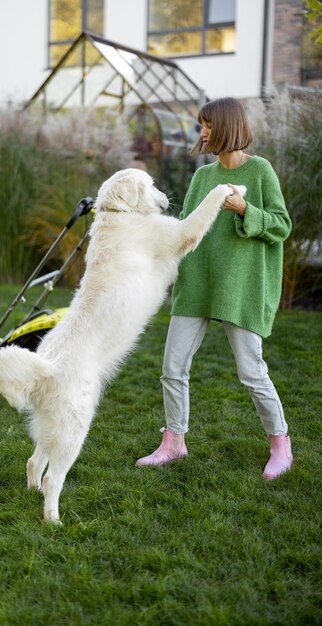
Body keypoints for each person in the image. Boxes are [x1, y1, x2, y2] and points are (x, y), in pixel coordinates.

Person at [136, 97, 293, 480]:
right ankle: (174, 442)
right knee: (172, 367)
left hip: (241, 286)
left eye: (207, 124)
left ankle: (280, 445)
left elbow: (281, 225)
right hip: (197, 281)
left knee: (251, 372)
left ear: (227, 126)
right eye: (201, 125)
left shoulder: (260, 171)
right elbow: (188, 227)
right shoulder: (202, 176)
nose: (202, 132)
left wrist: (244, 210)